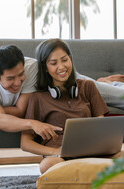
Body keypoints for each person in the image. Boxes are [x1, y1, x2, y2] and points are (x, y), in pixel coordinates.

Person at [20, 38, 110, 174]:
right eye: (53, 63)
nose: (61, 67)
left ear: (71, 60)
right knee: (47, 165)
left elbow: (101, 126)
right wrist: (55, 152)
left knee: (123, 157)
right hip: (59, 157)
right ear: (45, 67)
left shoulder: (87, 86)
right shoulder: (37, 98)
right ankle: (90, 174)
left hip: (91, 151)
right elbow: (25, 142)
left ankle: (83, 174)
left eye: (64, 60)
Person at [0, 45, 62, 140]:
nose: (17, 83)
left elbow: (20, 110)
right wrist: (33, 124)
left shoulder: (31, 67)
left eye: (21, 74)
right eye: (10, 78)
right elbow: (0, 121)